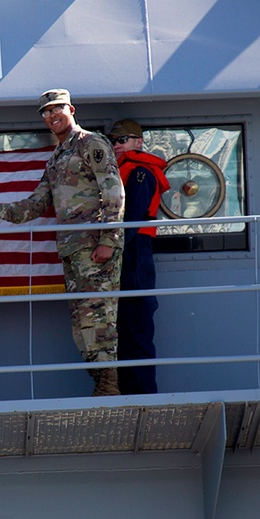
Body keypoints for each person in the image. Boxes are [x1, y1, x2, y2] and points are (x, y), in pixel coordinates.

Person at [0, 89, 125, 396]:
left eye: (57, 109)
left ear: (71, 109)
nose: (51, 116)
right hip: (72, 250)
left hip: (95, 245)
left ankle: (110, 388)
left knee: (99, 316)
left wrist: (109, 239)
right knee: (82, 322)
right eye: (45, 112)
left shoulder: (91, 143)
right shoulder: (56, 157)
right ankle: (101, 384)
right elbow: (36, 204)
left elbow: (114, 192)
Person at [108, 119, 170, 395]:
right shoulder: (117, 171)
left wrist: (113, 251)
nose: (117, 145)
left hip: (135, 251)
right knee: (121, 329)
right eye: (113, 140)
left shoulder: (141, 172)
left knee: (138, 328)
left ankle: (145, 397)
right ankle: (125, 395)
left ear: (138, 142)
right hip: (127, 250)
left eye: (123, 140)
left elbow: (132, 219)